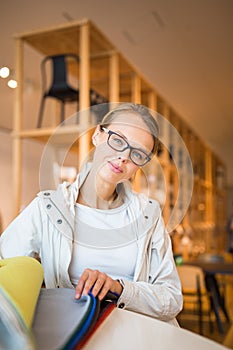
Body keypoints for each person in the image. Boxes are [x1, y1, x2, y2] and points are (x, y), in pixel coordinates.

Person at [0, 103, 183, 325]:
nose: (123, 157)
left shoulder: (149, 214)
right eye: (117, 140)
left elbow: (172, 298)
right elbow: (5, 268)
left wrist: (119, 288)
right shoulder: (48, 207)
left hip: (137, 335)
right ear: (97, 135)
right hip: (70, 332)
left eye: (137, 153)